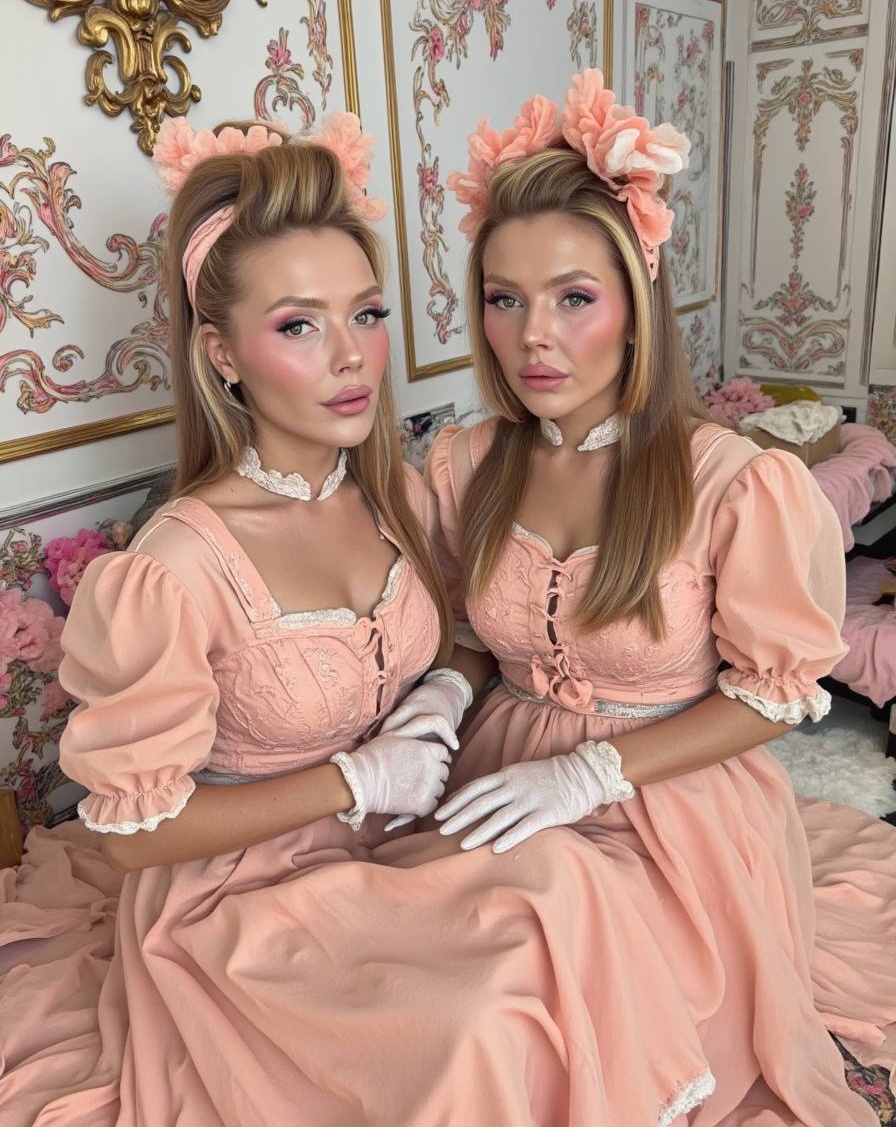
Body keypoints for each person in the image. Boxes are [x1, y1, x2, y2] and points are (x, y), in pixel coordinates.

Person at [0, 113, 721, 1127]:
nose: (351, 358)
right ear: (221, 352)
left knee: (571, 879)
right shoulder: (172, 567)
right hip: (242, 903)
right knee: (480, 1017)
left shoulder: (397, 497)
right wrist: (352, 780)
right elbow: (130, 841)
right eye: (299, 326)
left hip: (388, 847)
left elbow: (469, 630)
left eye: (367, 315)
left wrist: (446, 688)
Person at [386, 69, 896, 1124]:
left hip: (671, 801)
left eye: (573, 297)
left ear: (633, 306)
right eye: (504, 298)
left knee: (540, 1008)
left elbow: (773, 694)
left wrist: (591, 773)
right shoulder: (464, 464)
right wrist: (447, 686)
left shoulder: (730, 482)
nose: (533, 336)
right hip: (499, 774)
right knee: (425, 994)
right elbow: (474, 629)